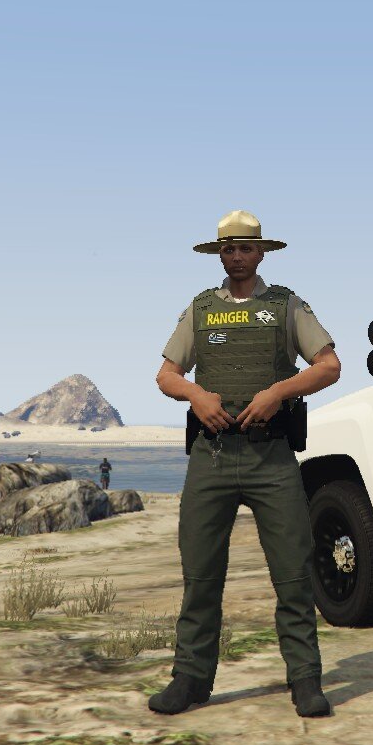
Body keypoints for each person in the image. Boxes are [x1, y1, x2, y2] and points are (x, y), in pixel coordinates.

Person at [149, 209, 341, 718]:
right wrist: (195, 395)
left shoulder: (286, 306)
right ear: (220, 254)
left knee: (294, 575)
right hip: (211, 458)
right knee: (201, 577)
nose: (237, 257)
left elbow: (328, 366)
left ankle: (305, 679)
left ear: (261, 253)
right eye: (228, 249)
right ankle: (190, 680)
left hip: (270, 457)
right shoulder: (201, 309)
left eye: (246, 248)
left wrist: (278, 392)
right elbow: (166, 374)